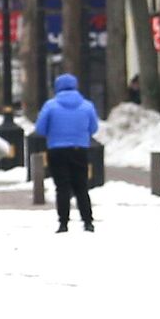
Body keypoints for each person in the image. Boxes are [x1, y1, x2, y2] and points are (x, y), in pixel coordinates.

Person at [33, 74, 100, 233]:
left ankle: (63, 223)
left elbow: (40, 128)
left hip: (57, 150)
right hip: (79, 149)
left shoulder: (50, 106)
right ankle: (87, 221)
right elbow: (94, 128)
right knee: (81, 187)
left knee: (62, 187)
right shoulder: (87, 106)